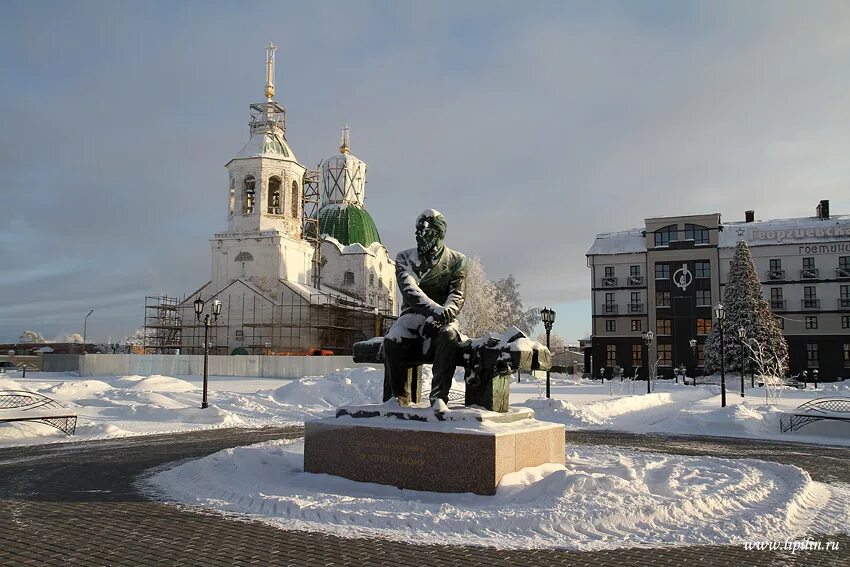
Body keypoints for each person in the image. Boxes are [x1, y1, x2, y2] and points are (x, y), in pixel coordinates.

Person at [384, 209, 467, 405]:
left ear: (439, 234)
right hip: (412, 317)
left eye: (426, 230)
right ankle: (398, 399)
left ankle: (439, 398)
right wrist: (435, 311)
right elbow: (410, 290)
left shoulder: (457, 261)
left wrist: (444, 314)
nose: (419, 234)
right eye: (418, 229)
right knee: (392, 340)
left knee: (449, 336)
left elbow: (457, 294)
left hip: (444, 320)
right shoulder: (404, 258)